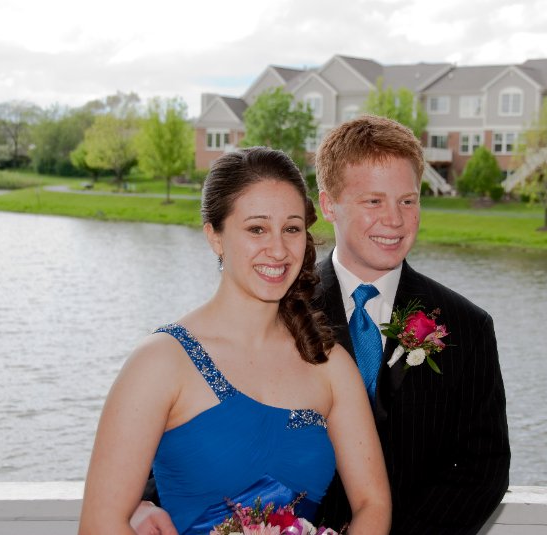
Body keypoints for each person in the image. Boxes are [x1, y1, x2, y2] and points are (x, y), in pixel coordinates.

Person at [80, 147, 391, 535]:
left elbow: (372, 504)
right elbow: (100, 524)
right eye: (256, 228)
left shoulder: (330, 365)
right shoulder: (160, 362)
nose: (278, 250)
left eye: (291, 229)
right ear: (215, 236)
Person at [313, 115, 510, 534]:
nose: (395, 219)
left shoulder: (466, 326)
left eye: (408, 200)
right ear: (329, 204)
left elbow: (483, 466)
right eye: (373, 202)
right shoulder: (283, 313)